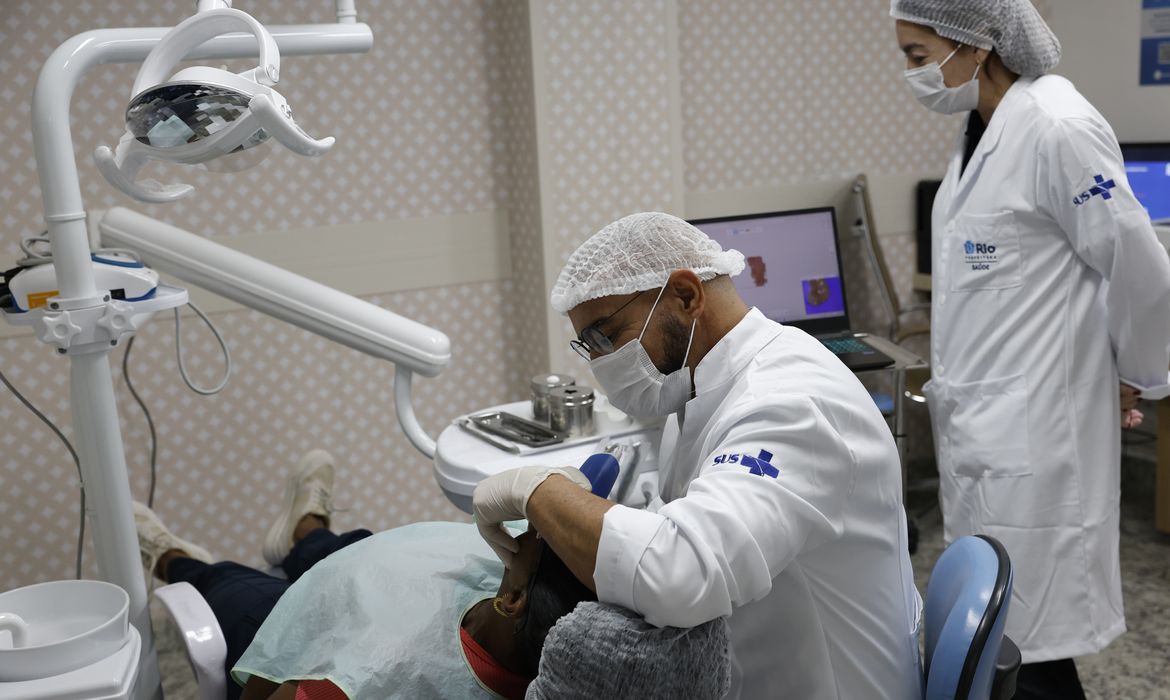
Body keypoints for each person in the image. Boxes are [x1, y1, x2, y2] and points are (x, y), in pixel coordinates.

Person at [472, 212, 924, 699]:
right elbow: (689, 525)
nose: (601, 362)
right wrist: (578, 507)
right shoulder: (694, 391)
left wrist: (540, 491)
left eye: (606, 335)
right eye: (589, 346)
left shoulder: (790, 402)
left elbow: (680, 575)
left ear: (686, 296)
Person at [890, 1, 1170, 697]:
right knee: (1005, 646)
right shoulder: (982, 133)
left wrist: (1137, 373)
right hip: (989, 429)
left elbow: (1138, 265)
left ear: (975, 44)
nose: (911, 74)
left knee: (1027, 650)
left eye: (918, 56)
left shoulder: (1057, 126)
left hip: (1041, 438)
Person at [134, 449, 595, 700]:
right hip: (384, 570)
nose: (535, 524)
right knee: (354, 549)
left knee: (231, 588)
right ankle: (305, 530)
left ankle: (171, 556)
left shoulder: (368, 679)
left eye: (540, 534)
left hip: (346, 635)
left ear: (513, 598)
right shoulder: (549, 616)